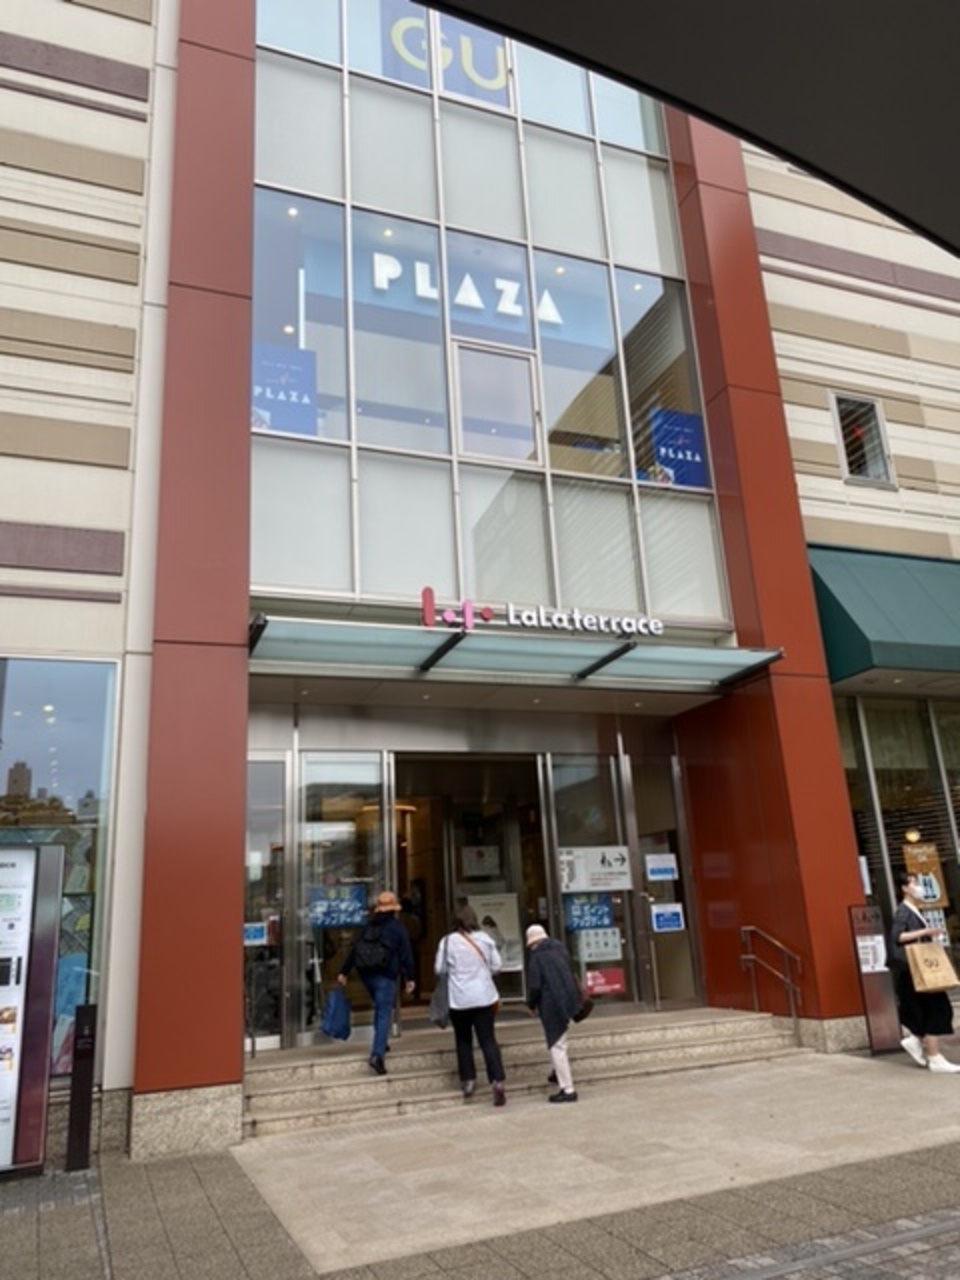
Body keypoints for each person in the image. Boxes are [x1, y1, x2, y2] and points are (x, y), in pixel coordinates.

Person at [435, 904, 507, 1106]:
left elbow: (439, 969)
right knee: (488, 1039)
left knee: (463, 1040)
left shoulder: (447, 941)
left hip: (459, 999)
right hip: (484, 997)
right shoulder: (485, 939)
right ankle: (498, 1081)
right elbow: (497, 965)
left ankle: (468, 1080)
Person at [338, 890, 414, 1076]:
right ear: (394, 909)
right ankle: (377, 1055)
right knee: (383, 1012)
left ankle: (382, 1041)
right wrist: (410, 978)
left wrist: (344, 971)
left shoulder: (367, 926)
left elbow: (355, 950)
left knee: (380, 1007)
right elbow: (406, 955)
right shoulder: (397, 929)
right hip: (385, 975)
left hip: (366, 975)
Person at [890, 870, 960, 1073]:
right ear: (904, 888)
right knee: (936, 1008)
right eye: (913, 882)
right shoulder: (904, 910)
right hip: (916, 968)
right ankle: (934, 1056)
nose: (918, 887)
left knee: (928, 1009)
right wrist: (926, 931)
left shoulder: (912, 909)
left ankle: (917, 1040)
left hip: (915, 969)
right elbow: (897, 936)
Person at [525, 923, 583, 1102]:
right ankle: (556, 1072)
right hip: (568, 1000)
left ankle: (568, 1089)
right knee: (560, 1041)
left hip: (551, 1003)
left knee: (557, 1045)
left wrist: (531, 1005)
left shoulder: (537, 956)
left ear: (532, 942)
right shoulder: (560, 948)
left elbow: (535, 986)